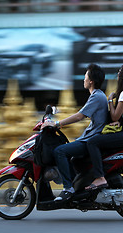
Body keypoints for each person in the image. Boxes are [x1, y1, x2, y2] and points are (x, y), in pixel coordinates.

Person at [41, 63, 108, 201]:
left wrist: (57, 124)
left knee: (59, 151)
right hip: (88, 137)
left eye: (85, 77)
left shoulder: (97, 96)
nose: (83, 80)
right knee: (73, 159)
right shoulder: (97, 95)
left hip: (90, 140)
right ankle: (78, 188)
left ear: (91, 81)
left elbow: (79, 116)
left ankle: (68, 188)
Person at [85, 63, 123, 190]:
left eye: (120, 71)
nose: (118, 74)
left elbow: (114, 116)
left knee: (92, 142)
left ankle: (100, 177)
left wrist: (110, 100)